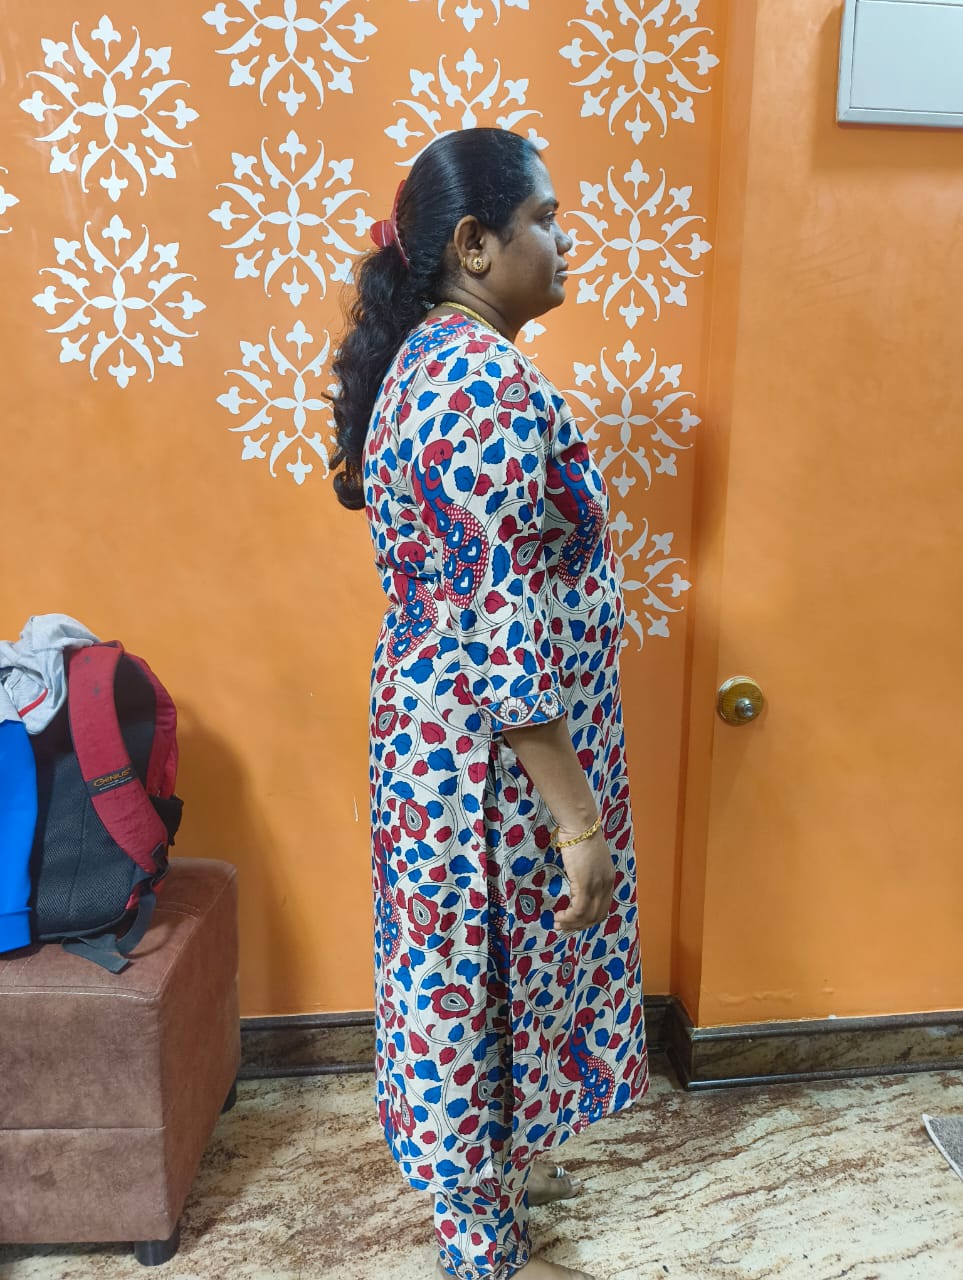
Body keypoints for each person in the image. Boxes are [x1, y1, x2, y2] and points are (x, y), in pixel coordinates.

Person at [331, 128, 648, 1280]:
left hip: (443, 744)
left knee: (465, 976)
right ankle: (484, 1253)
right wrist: (578, 819)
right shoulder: (482, 381)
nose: (566, 241)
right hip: (490, 766)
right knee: (485, 983)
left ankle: (492, 1196)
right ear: (475, 244)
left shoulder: (433, 361)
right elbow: (502, 627)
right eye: (546, 220)